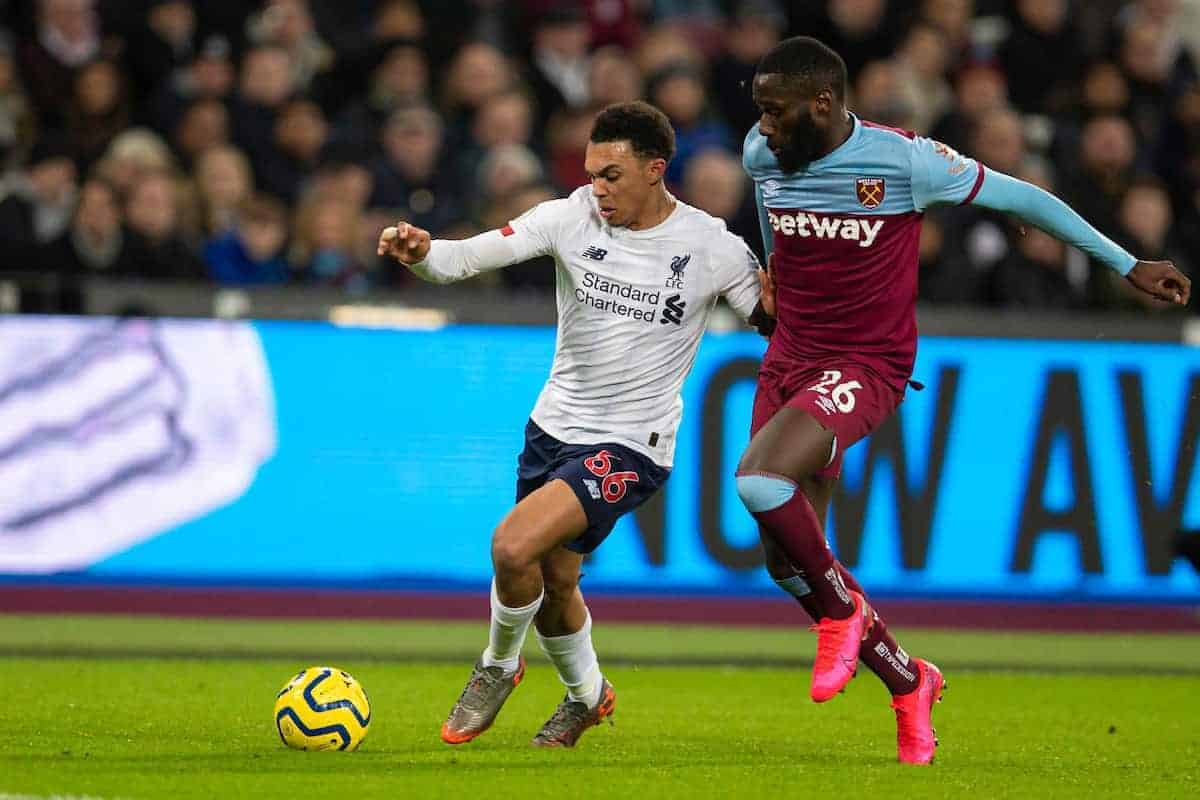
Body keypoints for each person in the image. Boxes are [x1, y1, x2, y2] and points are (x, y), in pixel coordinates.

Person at [738, 36, 1190, 766]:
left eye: (775, 112)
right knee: (788, 561)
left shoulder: (906, 161)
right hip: (790, 356)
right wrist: (770, 270)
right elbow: (771, 208)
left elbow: (1025, 197)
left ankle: (844, 617)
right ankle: (911, 681)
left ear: (822, 104)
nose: (763, 127)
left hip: (866, 361)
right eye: (759, 112)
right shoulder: (765, 156)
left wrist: (1126, 261)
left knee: (761, 480)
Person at [377, 100, 774, 748]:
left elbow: (773, 324)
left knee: (512, 547)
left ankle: (497, 666)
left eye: (611, 176)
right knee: (557, 584)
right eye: (591, 173)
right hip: (552, 429)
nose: (598, 188)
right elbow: (465, 259)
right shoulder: (568, 218)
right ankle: (588, 696)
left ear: (655, 170)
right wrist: (422, 253)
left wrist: (785, 304)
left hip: (631, 446)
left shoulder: (710, 246)